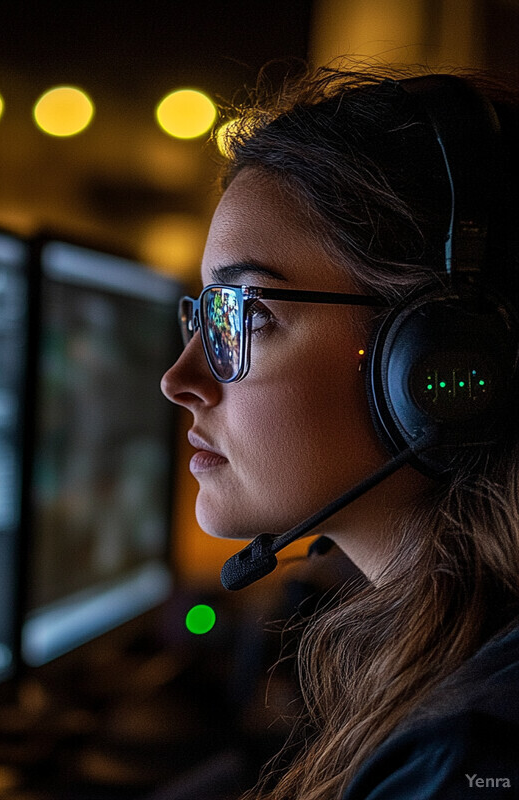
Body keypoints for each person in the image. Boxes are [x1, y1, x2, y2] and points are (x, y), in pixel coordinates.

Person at [160, 63, 519, 799]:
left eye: (246, 315)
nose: (181, 379)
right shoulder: (449, 661)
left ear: (437, 359)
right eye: (204, 315)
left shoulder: (465, 759)